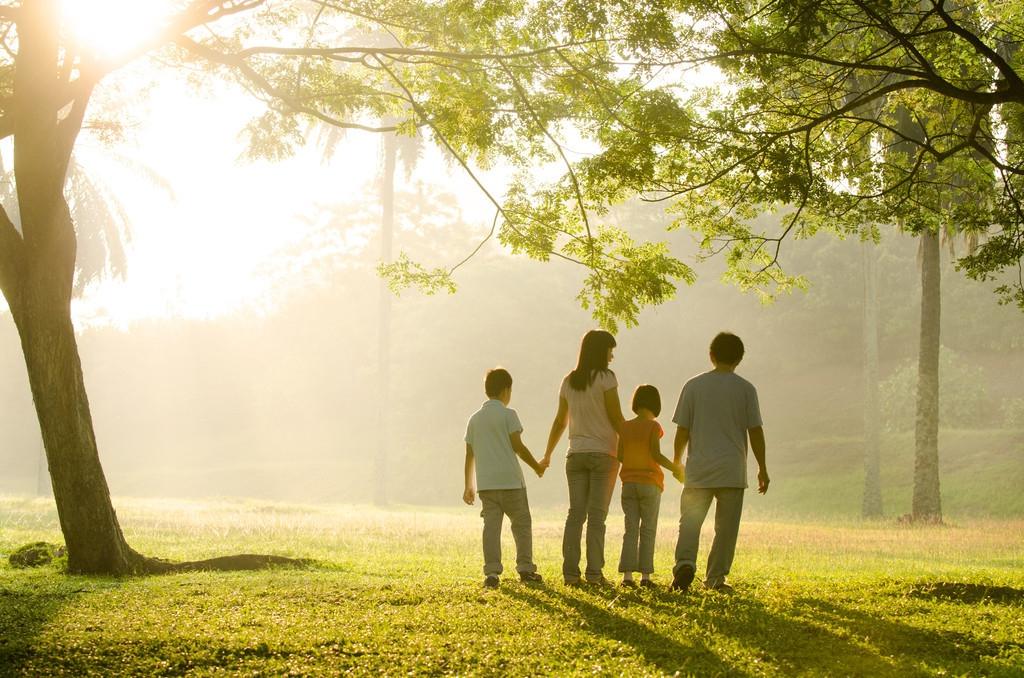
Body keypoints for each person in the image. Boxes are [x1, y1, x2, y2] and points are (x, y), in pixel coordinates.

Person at [670, 332, 769, 593]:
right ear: (739, 359)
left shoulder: (693, 386)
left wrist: (676, 460)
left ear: (711, 355)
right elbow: (755, 431)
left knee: (689, 522)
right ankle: (716, 579)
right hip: (731, 469)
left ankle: (684, 563)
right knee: (725, 530)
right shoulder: (746, 389)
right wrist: (762, 467)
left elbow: (682, 430)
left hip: (699, 469)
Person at [543, 330, 625, 586]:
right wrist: (633, 446)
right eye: (610, 350)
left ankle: (570, 573)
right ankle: (594, 574)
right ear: (601, 351)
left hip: (575, 454)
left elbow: (559, 421)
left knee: (575, 514)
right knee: (597, 516)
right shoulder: (606, 378)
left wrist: (547, 454)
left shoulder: (569, 381)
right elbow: (616, 418)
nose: (612, 356)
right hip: (604, 454)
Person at [463, 368, 548, 588]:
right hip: (511, 482)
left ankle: (492, 572)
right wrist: (537, 466)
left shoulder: (474, 419)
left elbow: (469, 454)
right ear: (506, 390)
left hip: (487, 485)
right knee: (521, 525)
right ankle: (525, 569)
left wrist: (468, 485)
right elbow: (518, 447)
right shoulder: (509, 415)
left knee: (491, 528)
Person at [616, 384, 684, 588]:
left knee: (630, 529)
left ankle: (627, 577)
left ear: (635, 403)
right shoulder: (654, 427)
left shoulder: (625, 427)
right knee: (648, 529)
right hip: (650, 484)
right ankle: (645, 577)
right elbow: (655, 454)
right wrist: (675, 468)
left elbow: (620, 455)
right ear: (656, 404)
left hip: (628, 484)